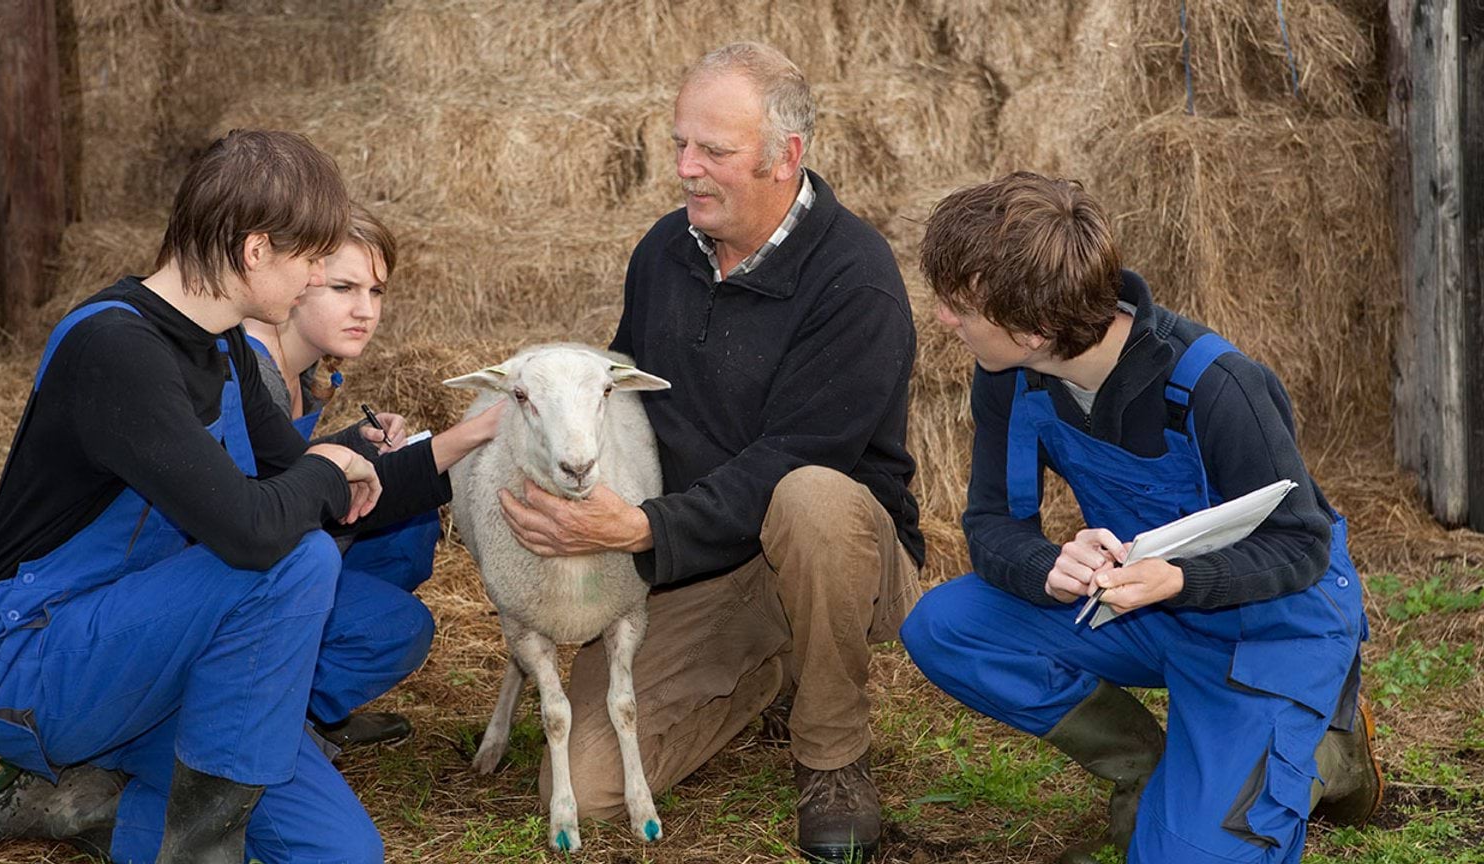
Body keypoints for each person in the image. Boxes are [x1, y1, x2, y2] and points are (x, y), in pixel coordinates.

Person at [0, 130, 499, 863]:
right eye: (309, 260)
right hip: (38, 657)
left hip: (170, 654)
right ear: (255, 250)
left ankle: (95, 806)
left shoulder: (225, 347)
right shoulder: (116, 348)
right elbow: (254, 533)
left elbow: (316, 483)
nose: (311, 281)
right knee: (294, 559)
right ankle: (191, 845)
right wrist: (331, 469)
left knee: (343, 856)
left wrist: (460, 450)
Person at [495, 42, 922, 862]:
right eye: (680, 144)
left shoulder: (853, 281)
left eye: (714, 152)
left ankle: (831, 754)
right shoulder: (664, 250)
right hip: (700, 556)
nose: (687, 168)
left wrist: (638, 531)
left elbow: (793, 458)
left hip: (836, 553)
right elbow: (622, 400)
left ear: (784, 157)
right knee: (585, 787)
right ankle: (770, 663)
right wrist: (513, 440)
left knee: (810, 496)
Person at [899, 172, 1383, 863]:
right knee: (944, 626)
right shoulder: (1009, 375)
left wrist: (1178, 581)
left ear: (1034, 329)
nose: (946, 319)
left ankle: (1324, 756)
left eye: (959, 308)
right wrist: (1049, 566)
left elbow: (1299, 547)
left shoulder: (1217, 388)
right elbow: (991, 526)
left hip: (1273, 626)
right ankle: (1149, 767)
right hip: (1141, 609)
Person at [242, 203, 442, 751]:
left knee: (412, 528)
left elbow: (284, 462)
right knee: (397, 628)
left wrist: (353, 443)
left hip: (277, 543)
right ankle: (273, 723)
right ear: (296, 278)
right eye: (344, 288)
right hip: (242, 572)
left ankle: (305, 703)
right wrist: (465, 441)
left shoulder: (305, 369)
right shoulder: (249, 367)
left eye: (376, 292)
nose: (366, 310)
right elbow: (264, 511)